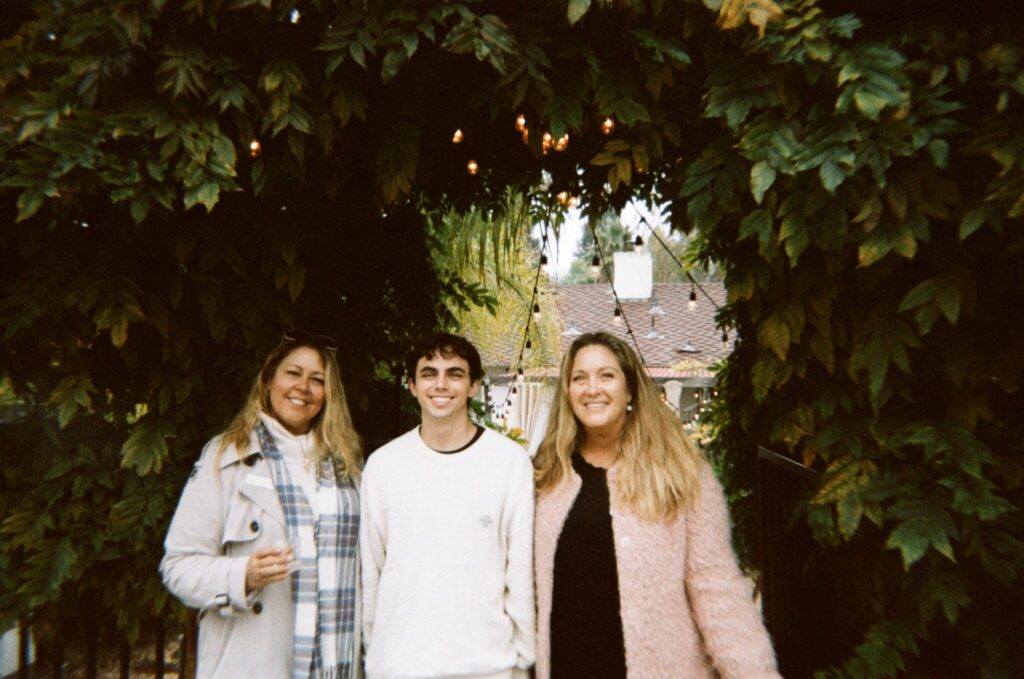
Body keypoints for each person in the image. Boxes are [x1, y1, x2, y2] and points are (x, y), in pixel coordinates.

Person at [533, 332, 781, 679]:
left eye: (607, 375)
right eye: (580, 378)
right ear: (567, 391)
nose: (592, 389)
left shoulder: (681, 473)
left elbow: (716, 587)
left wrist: (755, 672)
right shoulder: (545, 475)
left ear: (630, 390)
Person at [161, 331, 363, 679]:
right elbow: (177, 567)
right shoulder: (227, 457)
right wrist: (244, 576)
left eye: (317, 380)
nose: (303, 387)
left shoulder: (348, 467)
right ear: (268, 381)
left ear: (329, 394)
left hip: (338, 665)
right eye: (293, 373)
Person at [360, 332, 535, 679]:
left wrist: (523, 659)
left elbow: (520, 572)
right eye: (429, 374)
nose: (441, 384)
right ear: (412, 385)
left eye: (454, 374)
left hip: (488, 667)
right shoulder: (383, 466)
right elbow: (371, 573)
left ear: (474, 385)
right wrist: (376, 653)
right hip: (400, 666)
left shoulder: (509, 463)